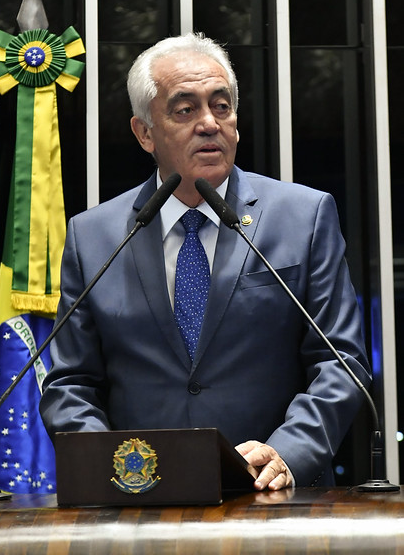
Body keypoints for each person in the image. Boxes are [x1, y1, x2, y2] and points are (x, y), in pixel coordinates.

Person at [40, 33, 372, 491]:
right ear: (144, 132)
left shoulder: (303, 216)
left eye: (221, 106)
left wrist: (288, 453)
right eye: (185, 109)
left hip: (276, 496)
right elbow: (70, 383)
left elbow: (341, 361)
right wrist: (110, 470)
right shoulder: (93, 236)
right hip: (140, 501)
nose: (209, 123)